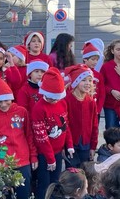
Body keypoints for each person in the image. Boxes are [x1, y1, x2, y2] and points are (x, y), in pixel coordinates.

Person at [0, 77, 38, 199]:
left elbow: (28, 135)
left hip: (22, 160)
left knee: (24, 193)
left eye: (6, 100)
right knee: (5, 194)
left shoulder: (22, 112)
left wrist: (33, 156)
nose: (3, 105)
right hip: (1, 161)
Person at [31, 67, 74, 199]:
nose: (54, 100)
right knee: (44, 184)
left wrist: (70, 145)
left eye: (56, 98)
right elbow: (41, 137)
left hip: (58, 151)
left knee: (55, 183)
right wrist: (50, 159)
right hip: (45, 154)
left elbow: (65, 126)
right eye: (51, 98)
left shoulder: (62, 103)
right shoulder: (39, 108)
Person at [64, 64, 98, 167]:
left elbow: (94, 125)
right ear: (76, 82)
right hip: (71, 143)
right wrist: (68, 145)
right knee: (71, 171)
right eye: (84, 80)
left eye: (90, 80)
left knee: (84, 170)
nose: (88, 83)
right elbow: (65, 125)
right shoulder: (67, 100)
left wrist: (93, 146)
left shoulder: (91, 101)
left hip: (85, 143)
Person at [82, 42, 106, 122]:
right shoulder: (78, 73)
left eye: (97, 60)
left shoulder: (98, 75)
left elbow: (102, 94)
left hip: (95, 110)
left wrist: (98, 110)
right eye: (93, 59)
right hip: (81, 109)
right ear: (85, 59)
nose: (95, 62)